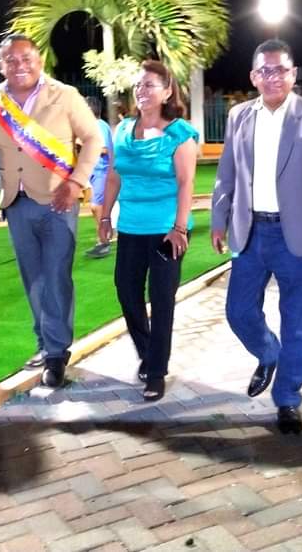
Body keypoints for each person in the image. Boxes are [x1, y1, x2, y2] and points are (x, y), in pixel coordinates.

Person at [211, 39, 302, 435]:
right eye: (265, 71)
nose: (274, 77)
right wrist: (219, 219)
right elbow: (226, 173)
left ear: (293, 73)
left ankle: (288, 397)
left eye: (281, 70)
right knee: (239, 311)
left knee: (299, 320)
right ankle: (269, 353)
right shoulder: (239, 116)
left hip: (298, 233)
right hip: (250, 231)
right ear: (254, 76)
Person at [0, 34, 104, 388]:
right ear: (1, 65)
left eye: (26, 58)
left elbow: (93, 139)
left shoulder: (65, 95)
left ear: (39, 61)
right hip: (16, 203)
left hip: (58, 201)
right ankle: (45, 343)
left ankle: (56, 354)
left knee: (56, 275)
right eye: (11, 60)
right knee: (34, 278)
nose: (19, 66)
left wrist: (76, 182)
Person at [98, 61, 198, 402]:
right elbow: (114, 176)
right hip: (131, 227)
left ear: (167, 91)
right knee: (127, 292)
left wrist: (179, 227)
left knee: (162, 299)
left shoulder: (180, 133)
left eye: (150, 85)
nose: (142, 90)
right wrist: (104, 217)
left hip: (167, 230)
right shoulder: (123, 129)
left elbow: (186, 182)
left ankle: (155, 372)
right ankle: (148, 353)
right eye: (139, 85)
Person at [84, 95, 116, 259]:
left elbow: (104, 149)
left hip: (102, 171)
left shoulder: (99, 126)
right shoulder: (95, 126)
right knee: (97, 207)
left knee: (97, 207)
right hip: (96, 172)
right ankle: (103, 239)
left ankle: (104, 241)